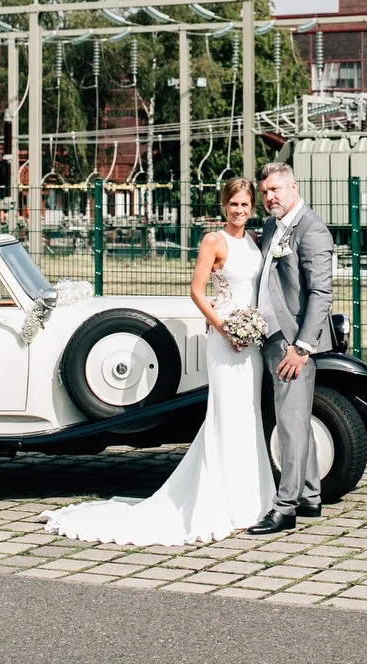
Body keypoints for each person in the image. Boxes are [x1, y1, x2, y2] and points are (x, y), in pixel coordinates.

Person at [43, 177, 275, 546]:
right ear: (223, 206)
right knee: (226, 415)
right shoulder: (214, 241)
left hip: (252, 340)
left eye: (245, 205)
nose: (239, 210)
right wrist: (225, 327)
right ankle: (222, 502)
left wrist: (252, 328)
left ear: (252, 207)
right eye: (234, 204)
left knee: (248, 415)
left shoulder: (253, 240)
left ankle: (252, 500)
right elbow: (197, 291)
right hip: (225, 335)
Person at [246, 160, 334, 535]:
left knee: (290, 425)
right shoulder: (271, 226)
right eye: (264, 192)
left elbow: (321, 292)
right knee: (295, 420)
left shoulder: (311, 229)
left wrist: (301, 348)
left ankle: (285, 508)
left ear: (293, 187)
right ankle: (310, 496)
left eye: (275, 190)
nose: (268, 197)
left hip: (293, 344)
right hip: (271, 337)